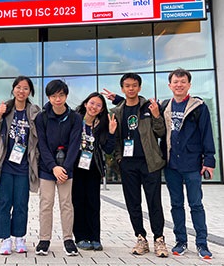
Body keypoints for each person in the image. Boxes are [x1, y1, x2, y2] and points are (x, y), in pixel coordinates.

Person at [107, 73, 169, 257]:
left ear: (139, 87)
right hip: (128, 164)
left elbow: (160, 132)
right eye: (127, 86)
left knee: (154, 202)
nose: (131, 88)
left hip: (149, 163)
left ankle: (159, 239)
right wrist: (119, 158)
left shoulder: (149, 108)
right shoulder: (117, 111)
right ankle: (141, 238)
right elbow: (116, 138)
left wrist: (157, 116)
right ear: (123, 89)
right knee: (133, 203)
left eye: (134, 85)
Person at [161, 68, 215, 259]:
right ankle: (180, 241)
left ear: (189, 85)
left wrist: (209, 160)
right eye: (175, 82)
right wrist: (118, 99)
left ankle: (202, 243)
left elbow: (207, 133)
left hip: (192, 163)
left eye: (183, 82)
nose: (179, 85)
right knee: (176, 204)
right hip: (171, 165)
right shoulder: (165, 106)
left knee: (196, 204)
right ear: (170, 85)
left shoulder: (199, 106)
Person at [0, 76, 40, 255]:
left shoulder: (34, 111)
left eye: (25, 88)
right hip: (5, 166)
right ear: (13, 89)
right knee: (3, 202)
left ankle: (19, 237)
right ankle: (5, 239)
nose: (21, 91)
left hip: (24, 166)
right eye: (18, 87)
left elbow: (39, 137)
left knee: (21, 204)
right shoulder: (5, 108)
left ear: (30, 92)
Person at [34, 79, 82, 256]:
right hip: (47, 168)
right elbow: (42, 145)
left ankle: (68, 239)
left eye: (61, 95)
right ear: (49, 97)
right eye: (54, 96)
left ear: (66, 95)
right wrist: (53, 167)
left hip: (66, 169)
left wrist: (65, 168)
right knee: (46, 204)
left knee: (66, 204)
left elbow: (75, 144)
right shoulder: (42, 117)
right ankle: (44, 240)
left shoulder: (75, 117)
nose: (57, 99)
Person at [72, 92, 117, 251]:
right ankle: (81, 237)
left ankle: (95, 237)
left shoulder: (102, 125)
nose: (94, 107)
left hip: (93, 168)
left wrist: (111, 133)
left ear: (102, 109)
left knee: (93, 203)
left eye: (98, 105)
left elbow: (108, 149)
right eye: (92, 103)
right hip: (76, 168)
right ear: (85, 103)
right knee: (78, 202)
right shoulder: (75, 120)